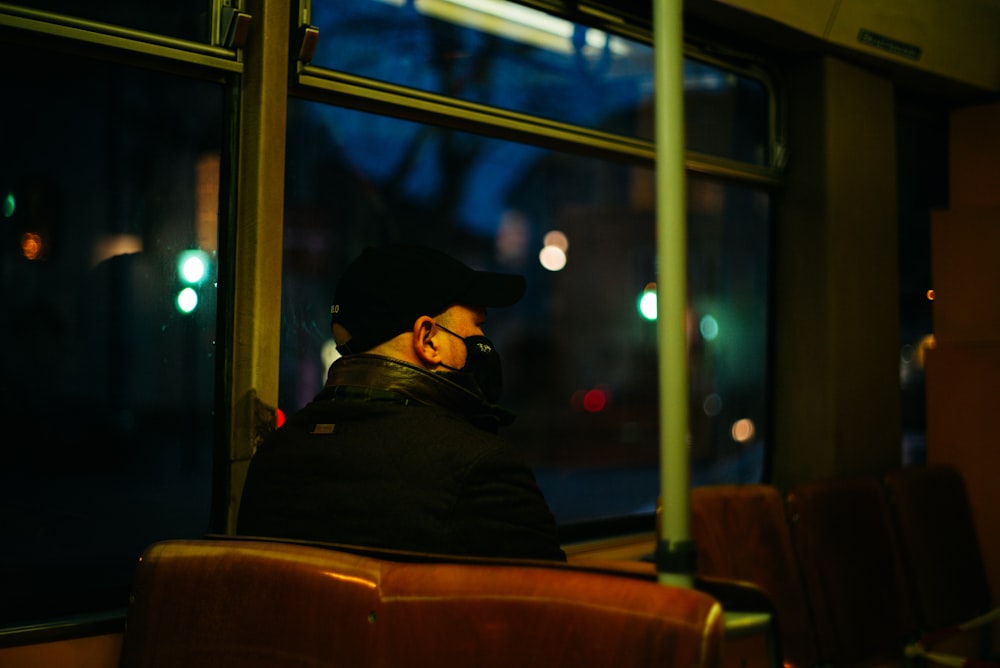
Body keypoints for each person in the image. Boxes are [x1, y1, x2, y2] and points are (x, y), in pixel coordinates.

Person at [237, 244, 566, 561]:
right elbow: (546, 605)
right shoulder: (481, 468)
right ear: (427, 339)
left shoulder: (275, 455)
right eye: (478, 326)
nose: (484, 342)